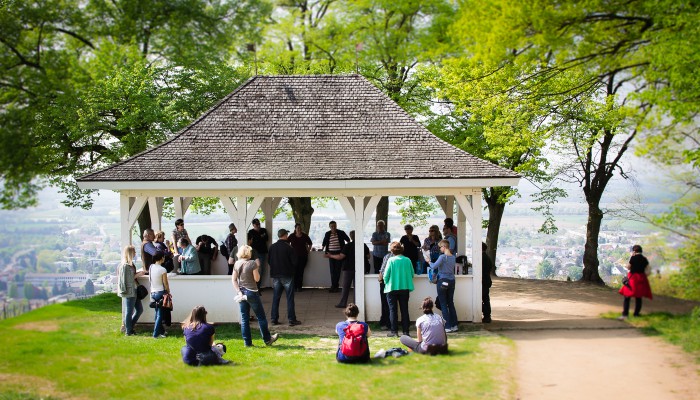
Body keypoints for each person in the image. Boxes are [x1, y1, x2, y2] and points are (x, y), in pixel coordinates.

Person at [231, 245, 279, 347]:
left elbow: (234, 280)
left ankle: (247, 343)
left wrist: (238, 291)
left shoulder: (237, 263)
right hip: (252, 292)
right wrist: (257, 268)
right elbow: (257, 279)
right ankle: (267, 339)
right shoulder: (252, 263)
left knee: (244, 319)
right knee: (261, 317)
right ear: (249, 253)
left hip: (241, 293)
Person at [326, 230, 370, 308]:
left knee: (345, 287)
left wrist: (331, 256)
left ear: (351, 237)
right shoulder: (363, 245)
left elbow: (341, 256)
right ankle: (357, 304)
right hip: (359, 268)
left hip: (348, 268)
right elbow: (368, 256)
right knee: (357, 287)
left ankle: (343, 303)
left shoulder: (347, 246)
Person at [268, 229, 301, 326]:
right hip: (287, 275)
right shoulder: (289, 247)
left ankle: (274, 319)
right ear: (285, 235)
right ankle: (291, 319)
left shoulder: (272, 247)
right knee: (290, 298)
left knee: (276, 298)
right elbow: (295, 262)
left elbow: (269, 261)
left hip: (276, 275)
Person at [383, 241, 415, 337]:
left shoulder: (391, 260)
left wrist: (386, 282)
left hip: (392, 288)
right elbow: (412, 274)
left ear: (392, 250)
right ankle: (406, 331)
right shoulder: (407, 260)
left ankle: (394, 331)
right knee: (404, 309)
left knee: (393, 310)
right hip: (405, 288)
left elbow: (386, 275)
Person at [428, 239, 458, 332]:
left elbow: (433, 266)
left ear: (444, 247)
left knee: (443, 304)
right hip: (452, 281)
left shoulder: (442, 257)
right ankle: (455, 325)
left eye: (440, 247)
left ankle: (447, 326)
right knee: (451, 303)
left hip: (443, 281)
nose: (440, 249)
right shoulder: (453, 257)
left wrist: (428, 261)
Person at [618, 244, 653, 320]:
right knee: (638, 297)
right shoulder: (644, 259)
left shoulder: (633, 258)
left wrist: (632, 257)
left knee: (627, 297)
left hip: (633, 278)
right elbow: (648, 269)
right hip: (641, 278)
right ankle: (636, 314)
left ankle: (625, 314)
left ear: (634, 251)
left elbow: (628, 267)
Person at [117, 245, 145, 336]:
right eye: (134, 252)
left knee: (139, 310)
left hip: (134, 290)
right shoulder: (125, 266)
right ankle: (128, 331)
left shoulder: (131, 264)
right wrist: (138, 275)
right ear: (130, 253)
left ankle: (129, 327)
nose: (135, 254)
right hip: (129, 291)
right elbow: (127, 279)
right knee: (129, 311)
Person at [322, 221, 351, 293]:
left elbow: (348, 240)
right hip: (330, 254)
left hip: (339, 254)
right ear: (330, 227)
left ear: (336, 226)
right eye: (332, 226)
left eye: (334, 226)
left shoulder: (341, 232)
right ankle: (333, 286)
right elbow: (324, 242)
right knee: (332, 270)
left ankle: (335, 286)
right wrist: (322, 249)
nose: (333, 227)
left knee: (338, 270)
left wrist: (346, 249)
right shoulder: (327, 233)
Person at [148, 252, 170, 338]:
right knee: (160, 315)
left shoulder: (151, 267)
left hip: (153, 292)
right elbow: (165, 283)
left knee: (157, 313)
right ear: (161, 258)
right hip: (160, 292)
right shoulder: (162, 269)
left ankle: (162, 332)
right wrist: (168, 292)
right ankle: (155, 334)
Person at [288, 223, 312, 291]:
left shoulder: (305, 236)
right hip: (294, 257)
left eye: (300, 228)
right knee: (294, 272)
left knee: (301, 272)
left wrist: (308, 250)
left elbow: (310, 243)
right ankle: (294, 287)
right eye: (297, 228)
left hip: (303, 256)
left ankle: (299, 287)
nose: (299, 229)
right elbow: (287, 243)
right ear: (295, 229)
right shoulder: (292, 236)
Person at [248, 218, 269, 288]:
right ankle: (253, 286)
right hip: (253, 253)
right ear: (253, 225)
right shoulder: (250, 232)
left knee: (260, 270)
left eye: (259, 224)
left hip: (262, 252)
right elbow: (250, 242)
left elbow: (266, 239)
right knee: (252, 269)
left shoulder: (263, 230)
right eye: (256, 224)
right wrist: (260, 237)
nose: (258, 225)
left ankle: (258, 287)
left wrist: (257, 239)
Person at [481, 242, 494, 323]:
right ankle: (487, 315)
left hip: (483, 281)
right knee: (486, 299)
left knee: (478, 299)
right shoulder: (486, 257)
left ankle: (486, 314)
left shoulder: (482, 258)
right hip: (486, 281)